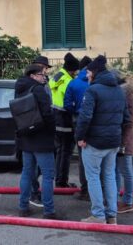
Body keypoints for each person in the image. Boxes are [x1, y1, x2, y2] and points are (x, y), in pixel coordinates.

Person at [75, 55, 130, 224]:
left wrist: (80, 137)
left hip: (95, 143)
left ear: (95, 72)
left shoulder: (92, 90)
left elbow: (85, 117)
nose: (86, 75)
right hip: (113, 141)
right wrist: (119, 138)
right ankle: (111, 215)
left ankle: (98, 215)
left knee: (93, 177)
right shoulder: (119, 90)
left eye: (88, 72)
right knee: (109, 177)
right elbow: (127, 118)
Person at [15, 64, 61, 220]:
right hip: (42, 138)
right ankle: (49, 210)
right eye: (42, 74)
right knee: (48, 175)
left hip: (26, 137)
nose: (45, 77)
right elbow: (47, 113)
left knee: (27, 173)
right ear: (33, 76)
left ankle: (23, 207)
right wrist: (52, 130)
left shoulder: (20, 88)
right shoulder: (38, 90)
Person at [64, 55, 92, 200]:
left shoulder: (73, 83)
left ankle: (85, 189)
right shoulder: (95, 83)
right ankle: (98, 190)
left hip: (79, 122)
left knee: (83, 157)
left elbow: (67, 104)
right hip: (95, 124)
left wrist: (75, 112)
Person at [50, 52, 80, 187]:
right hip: (66, 118)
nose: (76, 73)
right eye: (75, 70)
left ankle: (59, 179)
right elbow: (70, 101)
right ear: (71, 69)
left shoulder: (57, 76)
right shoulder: (69, 81)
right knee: (65, 151)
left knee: (59, 150)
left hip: (56, 117)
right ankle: (61, 181)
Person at [28, 55, 52, 208]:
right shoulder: (35, 85)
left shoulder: (44, 82)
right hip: (37, 129)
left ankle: (33, 193)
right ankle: (35, 195)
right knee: (37, 169)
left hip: (39, 129)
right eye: (44, 68)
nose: (46, 71)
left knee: (34, 167)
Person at [115, 74, 133, 214]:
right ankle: (117, 199)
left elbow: (128, 122)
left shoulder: (126, 96)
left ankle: (128, 202)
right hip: (121, 139)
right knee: (117, 170)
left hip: (124, 140)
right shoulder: (129, 94)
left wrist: (122, 144)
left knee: (125, 171)